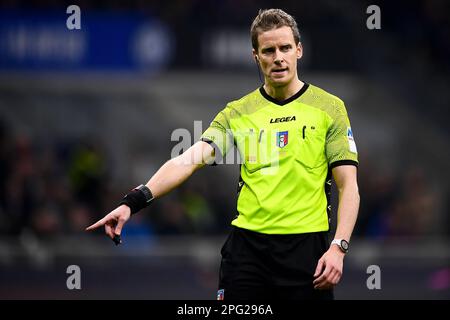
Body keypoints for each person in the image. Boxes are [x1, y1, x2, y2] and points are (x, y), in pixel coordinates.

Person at [86, 8, 360, 300]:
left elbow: (349, 186)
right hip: (249, 254)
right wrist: (133, 201)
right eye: (268, 50)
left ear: (298, 50)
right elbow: (188, 159)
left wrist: (338, 247)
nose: (278, 57)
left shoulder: (329, 108)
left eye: (285, 48)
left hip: (308, 255)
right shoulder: (237, 112)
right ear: (256, 56)